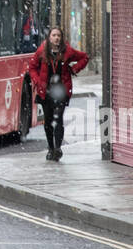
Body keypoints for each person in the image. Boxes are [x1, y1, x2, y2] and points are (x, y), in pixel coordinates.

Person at [26, 26, 89, 161]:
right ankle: (50, 148)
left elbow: (84, 57)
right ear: (49, 37)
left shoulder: (67, 51)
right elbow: (32, 67)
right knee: (48, 121)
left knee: (58, 119)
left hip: (61, 91)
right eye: (54, 35)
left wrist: (74, 69)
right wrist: (37, 81)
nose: (56, 38)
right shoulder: (42, 51)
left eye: (58, 35)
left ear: (61, 38)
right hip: (46, 92)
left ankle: (58, 148)